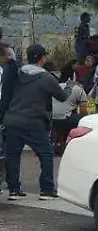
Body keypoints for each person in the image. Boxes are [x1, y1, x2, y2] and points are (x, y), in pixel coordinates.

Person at [4, 44, 70, 200]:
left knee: (13, 155)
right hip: (33, 122)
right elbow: (62, 96)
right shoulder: (46, 77)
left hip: (12, 119)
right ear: (42, 58)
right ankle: (47, 190)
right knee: (46, 154)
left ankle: (14, 189)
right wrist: (69, 87)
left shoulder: (17, 74)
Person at [50, 64, 87, 156]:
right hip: (66, 118)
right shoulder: (79, 89)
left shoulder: (56, 86)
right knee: (81, 121)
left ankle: (57, 143)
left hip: (51, 118)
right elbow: (83, 110)